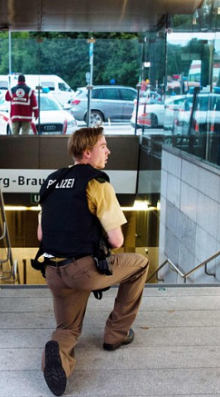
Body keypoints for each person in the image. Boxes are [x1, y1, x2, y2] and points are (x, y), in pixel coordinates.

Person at [36, 127, 149, 396]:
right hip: (84, 270)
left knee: (67, 328)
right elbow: (116, 241)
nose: (108, 151)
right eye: (103, 146)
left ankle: (57, 358)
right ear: (87, 153)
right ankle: (116, 334)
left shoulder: (51, 181)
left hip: (53, 272)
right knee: (140, 264)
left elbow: (41, 235)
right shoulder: (97, 183)